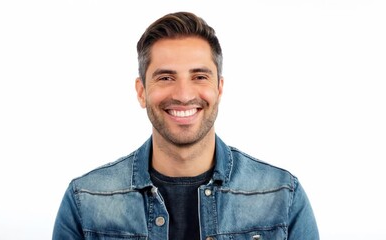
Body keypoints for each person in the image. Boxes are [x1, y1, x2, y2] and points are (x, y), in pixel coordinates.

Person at [52, 11, 319, 240]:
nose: (183, 94)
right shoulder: (86, 201)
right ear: (141, 91)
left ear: (219, 88)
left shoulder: (282, 196)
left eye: (200, 76)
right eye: (166, 77)